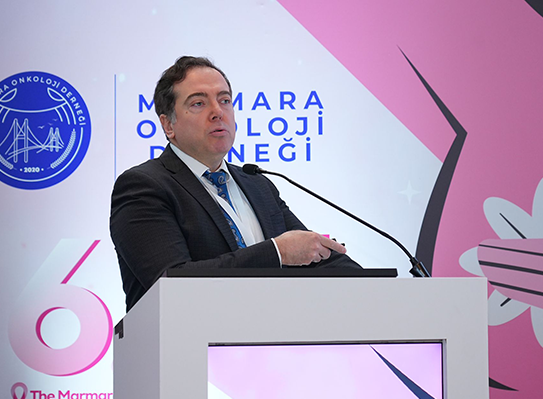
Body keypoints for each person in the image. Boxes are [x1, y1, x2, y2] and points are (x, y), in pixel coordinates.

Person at [110, 56, 361, 311]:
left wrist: (372, 287)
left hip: (270, 332)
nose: (217, 112)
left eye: (225, 100)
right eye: (198, 103)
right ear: (168, 124)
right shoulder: (143, 187)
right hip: (188, 335)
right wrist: (276, 253)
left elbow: (312, 254)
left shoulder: (258, 185)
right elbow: (172, 282)